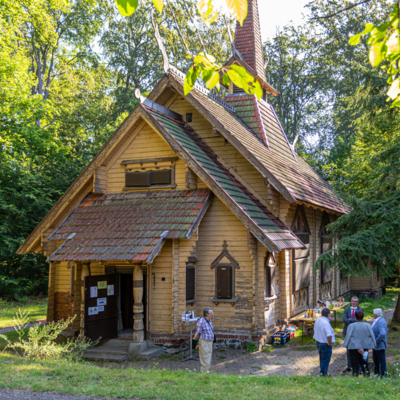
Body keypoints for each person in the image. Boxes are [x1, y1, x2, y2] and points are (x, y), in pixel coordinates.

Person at [343, 310, 376, 376]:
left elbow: (348, 336)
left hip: (353, 347)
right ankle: (366, 376)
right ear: (363, 316)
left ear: (355, 317)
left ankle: (355, 377)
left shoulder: (351, 326)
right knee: (364, 363)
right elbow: (372, 336)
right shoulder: (368, 326)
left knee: (354, 364)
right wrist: (373, 344)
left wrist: (346, 345)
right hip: (364, 347)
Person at [342, 296, 363, 373]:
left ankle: (358, 365)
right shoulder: (347, 309)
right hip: (348, 332)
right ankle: (349, 365)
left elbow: (359, 320)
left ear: (357, 302)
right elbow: (344, 319)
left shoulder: (360, 309)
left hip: (356, 332)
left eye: (355, 301)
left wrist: (350, 319)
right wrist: (352, 321)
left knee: (357, 348)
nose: (353, 302)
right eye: (352, 301)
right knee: (348, 349)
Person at [313, 308, 335, 376]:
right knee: (325, 360)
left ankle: (322, 371)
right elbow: (329, 335)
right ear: (328, 315)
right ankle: (323, 374)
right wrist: (330, 343)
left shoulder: (317, 320)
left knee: (322, 359)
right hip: (325, 344)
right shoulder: (326, 323)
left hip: (318, 342)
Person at [194, 307, 214, 372]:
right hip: (204, 342)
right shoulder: (201, 321)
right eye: (211, 313)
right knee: (204, 357)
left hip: (209, 342)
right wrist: (198, 343)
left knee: (208, 356)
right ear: (207, 314)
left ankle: (207, 371)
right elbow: (196, 335)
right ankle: (204, 374)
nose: (213, 314)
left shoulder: (209, 320)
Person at [372, 308, 387, 377]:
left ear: (376, 314)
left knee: (381, 361)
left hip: (379, 345)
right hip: (375, 346)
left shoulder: (380, 321)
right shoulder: (376, 321)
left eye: (373, 313)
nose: (372, 314)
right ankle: (377, 373)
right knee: (376, 360)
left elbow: (382, 334)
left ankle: (383, 375)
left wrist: (376, 341)